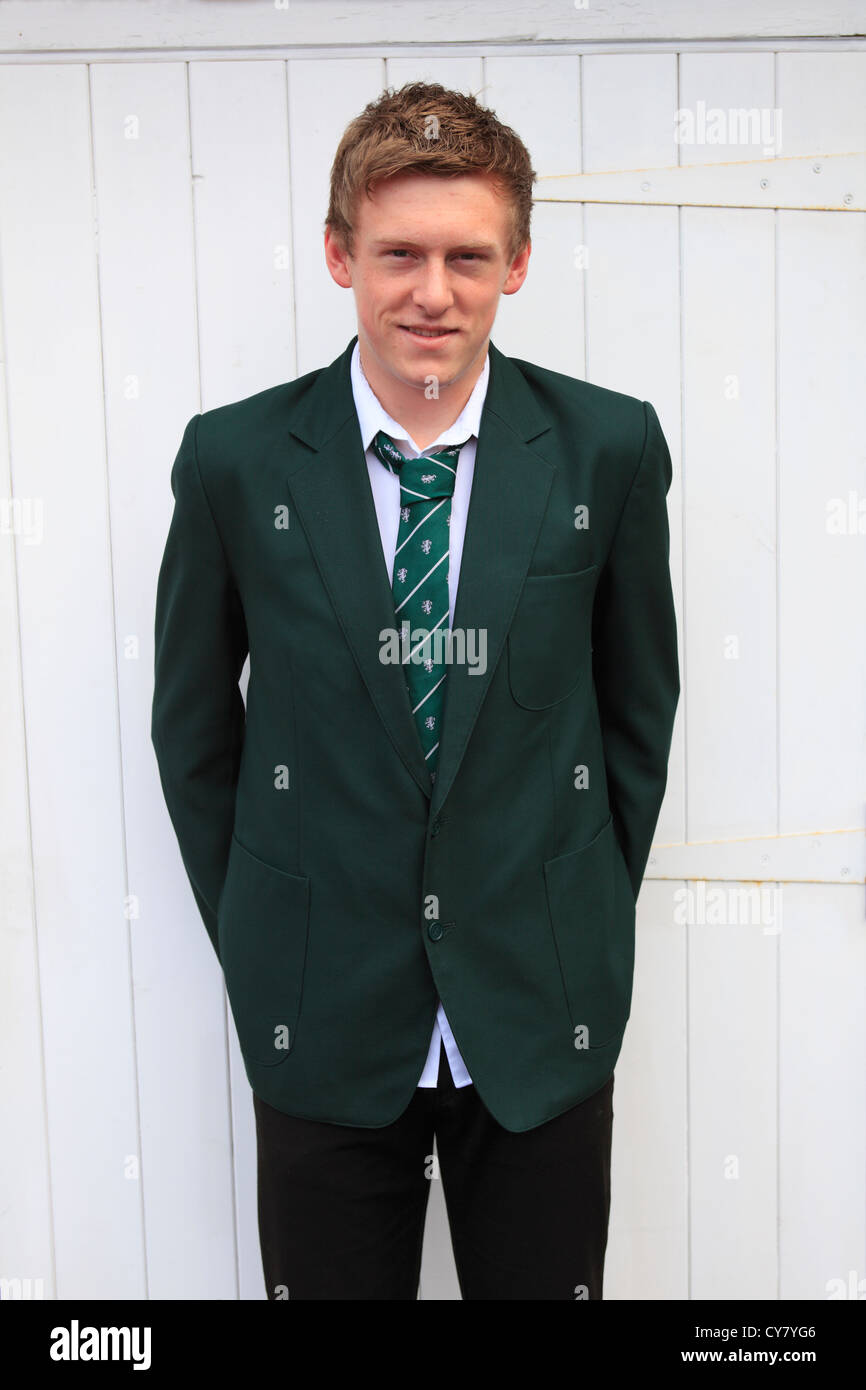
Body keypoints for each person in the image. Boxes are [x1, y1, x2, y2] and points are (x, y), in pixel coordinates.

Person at [151, 81, 680, 1300]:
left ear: (519, 262)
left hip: (537, 1001)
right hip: (318, 1006)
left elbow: (633, 712)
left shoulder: (605, 447)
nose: (430, 292)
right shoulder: (235, 459)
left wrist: (572, 897)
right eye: (396, 253)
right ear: (339, 254)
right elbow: (192, 730)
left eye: (465, 256)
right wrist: (260, 929)